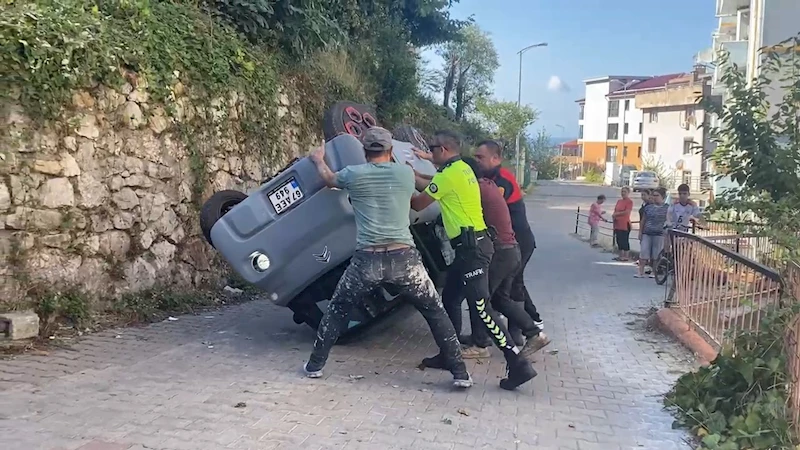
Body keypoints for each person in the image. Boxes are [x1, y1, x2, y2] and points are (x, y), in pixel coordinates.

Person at [303, 127, 472, 389]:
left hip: (366, 260)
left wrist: (318, 159)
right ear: (390, 150)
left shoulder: (353, 175)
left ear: (364, 151)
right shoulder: (404, 173)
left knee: (337, 310)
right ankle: (460, 373)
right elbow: (424, 186)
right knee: (434, 311)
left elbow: (329, 179)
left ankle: (315, 365)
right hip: (404, 257)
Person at [410, 130, 537, 390]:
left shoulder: (449, 174)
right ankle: (449, 353)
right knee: (451, 298)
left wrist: (397, 182)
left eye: (432, 149)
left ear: (443, 151)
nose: (430, 153)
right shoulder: (463, 169)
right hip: (470, 247)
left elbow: (419, 204)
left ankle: (518, 364)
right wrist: (411, 175)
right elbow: (433, 184)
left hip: (473, 250)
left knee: (482, 307)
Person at [419, 156, 544, 361]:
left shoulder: (474, 190)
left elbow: (436, 187)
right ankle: (532, 334)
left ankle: (483, 344)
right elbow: (438, 181)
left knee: (479, 299)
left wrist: (415, 179)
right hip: (509, 249)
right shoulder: (486, 185)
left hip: (497, 250)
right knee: (496, 298)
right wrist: (419, 175)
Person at [472, 140, 548, 352]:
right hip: (510, 242)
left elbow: (489, 201)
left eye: (481, 157)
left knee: (499, 292)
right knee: (511, 288)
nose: (478, 161)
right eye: (475, 157)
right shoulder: (489, 177)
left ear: (496, 159)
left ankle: (521, 333)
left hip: (516, 242)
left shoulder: (501, 179)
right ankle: (522, 334)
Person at [637, 187, 669, 278]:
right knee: (643, 252)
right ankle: (640, 271)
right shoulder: (648, 207)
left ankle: (654, 272)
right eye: (653, 195)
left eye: (657, 195)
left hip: (659, 234)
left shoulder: (667, 208)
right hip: (647, 232)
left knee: (656, 254)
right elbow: (643, 220)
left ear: (662, 196)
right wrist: (640, 232)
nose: (655, 197)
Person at [612, 187, 634, 261]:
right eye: (622, 191)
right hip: (618, 223)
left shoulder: (629, 202)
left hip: (625, 223)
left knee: (624, 240)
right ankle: (620, 255)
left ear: (628, 193)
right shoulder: (619, 201)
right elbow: (615, 210)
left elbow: (627, 212)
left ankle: (626, 256)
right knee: (619, 240)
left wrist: (617, 214)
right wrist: (614, 216)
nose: (623, 193)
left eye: (625, 192)